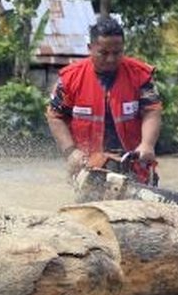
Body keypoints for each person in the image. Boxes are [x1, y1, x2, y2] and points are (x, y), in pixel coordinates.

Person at [45, 15, 163, 184]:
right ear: (90, 48)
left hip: (134, 163)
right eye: (104, 53)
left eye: (117, 53)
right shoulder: (70, 78)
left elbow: (152, 111)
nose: (111, 59)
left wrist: (147, 144)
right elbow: (55, 116)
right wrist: (70, 151)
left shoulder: (140, 75)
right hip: (89, 167)